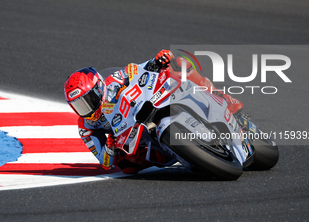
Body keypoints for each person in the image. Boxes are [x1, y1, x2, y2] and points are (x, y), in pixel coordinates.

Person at [64, 50, 243, 174]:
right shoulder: (86, 126)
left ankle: (219, 96)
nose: (85, 109)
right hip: (130, 137)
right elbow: (105, 162)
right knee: (127, 167)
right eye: (78, 105)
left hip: (145, 104)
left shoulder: (114, 80)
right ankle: (178, 152)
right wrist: (110, 147)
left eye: (87, 101)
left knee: (178, 64)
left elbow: (137, 68)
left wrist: (157, 60)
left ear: (98, 89)